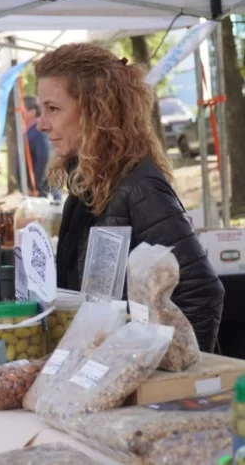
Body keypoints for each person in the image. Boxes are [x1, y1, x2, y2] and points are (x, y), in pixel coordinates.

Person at [37, 43, 224, 352]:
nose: (41, 123)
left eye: (53, 109)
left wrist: (174, 377)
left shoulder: (139, 187)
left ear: (94, 111)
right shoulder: (86, 188)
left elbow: (201, 292)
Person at [15, 96, 54, 197]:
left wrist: (36, 185)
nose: (19, 114)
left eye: (22, 110)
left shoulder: (39, 131)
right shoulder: (28, 131)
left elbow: (43, 157)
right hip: (29, 190)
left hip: (38, 192)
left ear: (32, 111)